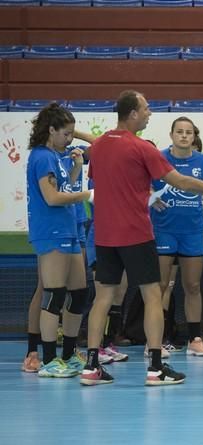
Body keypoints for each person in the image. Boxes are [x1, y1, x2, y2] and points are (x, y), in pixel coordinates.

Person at [80, 90, 203, 386]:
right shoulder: (142, 147)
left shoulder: (101, 145)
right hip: (135, 234)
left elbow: (108, 182)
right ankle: (156, 368)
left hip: (105, 234)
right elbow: (179, 181)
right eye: (145, 109)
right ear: (132, 113)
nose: (149, 113)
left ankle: (91, 366)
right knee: (153, 295)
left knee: (103, 297)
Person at [25, 103, 92, 378]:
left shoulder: (57, 155)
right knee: (54, 294)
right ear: (51, 130)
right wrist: (87, 195)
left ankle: (69, 354)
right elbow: (52, 198)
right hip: (51, 231)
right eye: (66, 133)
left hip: (68, 230)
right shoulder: (42, 157)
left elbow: (63, 189)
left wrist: (76, 168)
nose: (70, 139)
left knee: (79, 293)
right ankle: (49, 359)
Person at [150, 116, 203, 357]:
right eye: (179, 132)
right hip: (163, 228)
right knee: (158, 286)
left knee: (192, 286)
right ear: (171, 135)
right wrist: (150, 196)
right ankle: (154, 342)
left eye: (188, 132)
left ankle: (195, 339)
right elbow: (139, 182)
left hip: (193, 230)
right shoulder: (158, 158)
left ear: (194, 136)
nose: (184, 136)